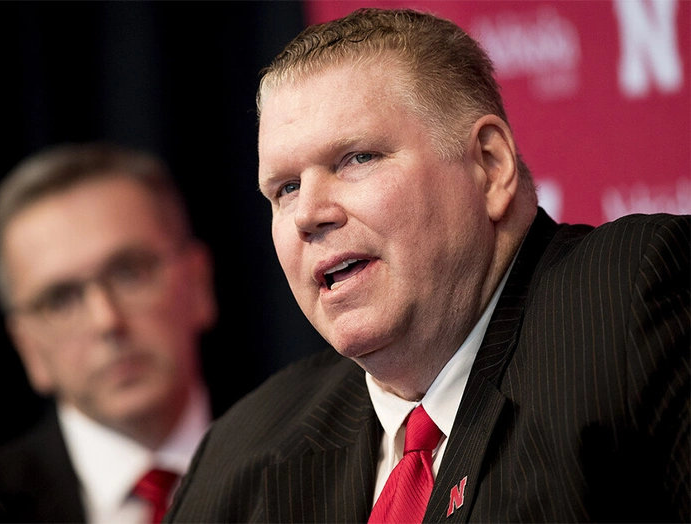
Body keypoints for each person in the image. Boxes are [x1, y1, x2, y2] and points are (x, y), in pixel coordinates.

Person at [165, 8, 690, 524]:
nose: (307, 215)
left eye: (357, 159)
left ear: (490, 165)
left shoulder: (637, 298)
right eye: (286, 188)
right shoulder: (241, 455)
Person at [0, 142, 219, 523]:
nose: (107, 321)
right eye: (60, 300)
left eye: (129, 273)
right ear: (27, 346)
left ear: (198, 283)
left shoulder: (290, 455)